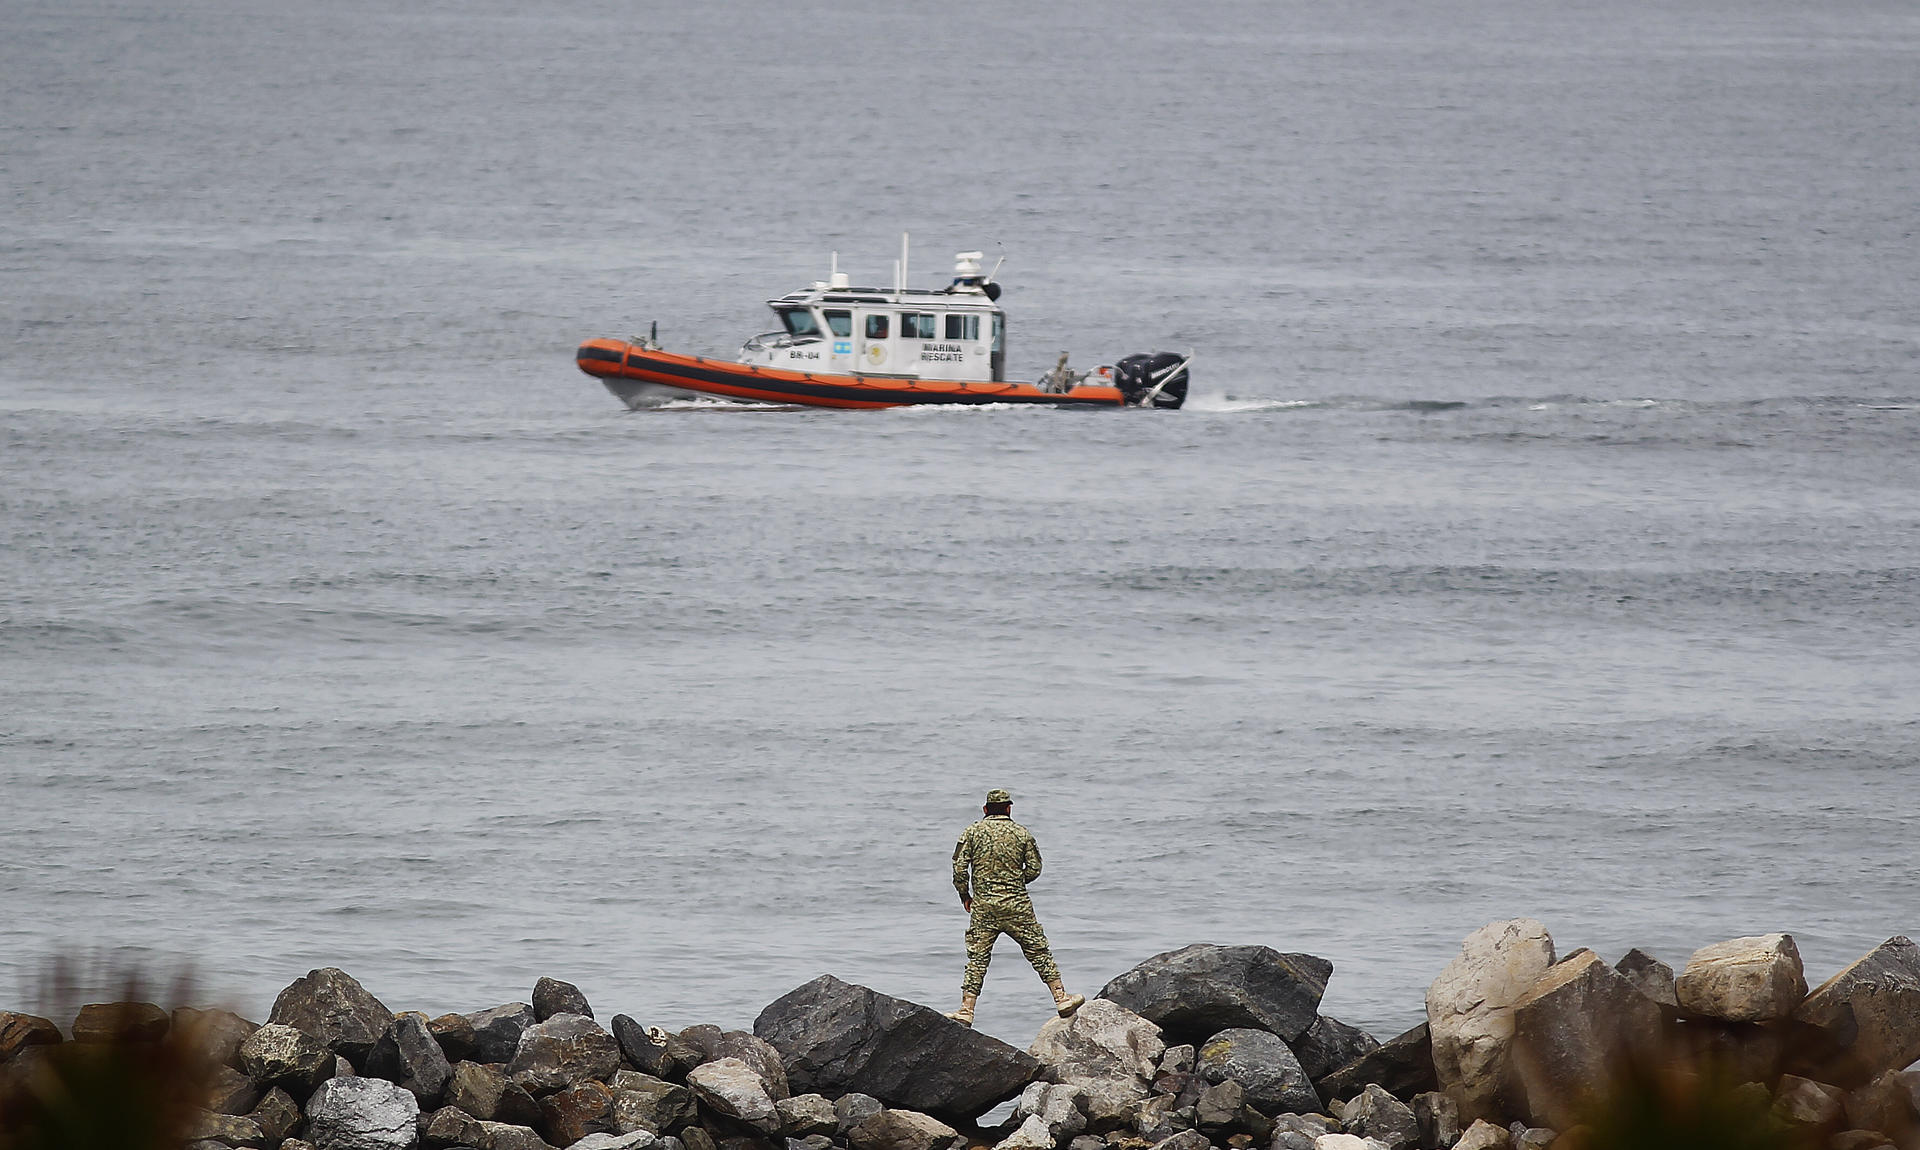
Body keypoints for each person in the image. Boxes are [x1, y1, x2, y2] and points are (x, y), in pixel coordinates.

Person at [946, 788, 1085, 1026]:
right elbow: (1034, 869)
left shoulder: (971, 832)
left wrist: (965, 896)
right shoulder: (1022, 834)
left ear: (985, 809)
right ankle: (1061, 998)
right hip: (1017, 904)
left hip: (984, 906)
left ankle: (966, 1010)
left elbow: (959, 869)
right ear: (1009, 808)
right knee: (1038, 951)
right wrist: (1014, 881)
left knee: (978, 958)